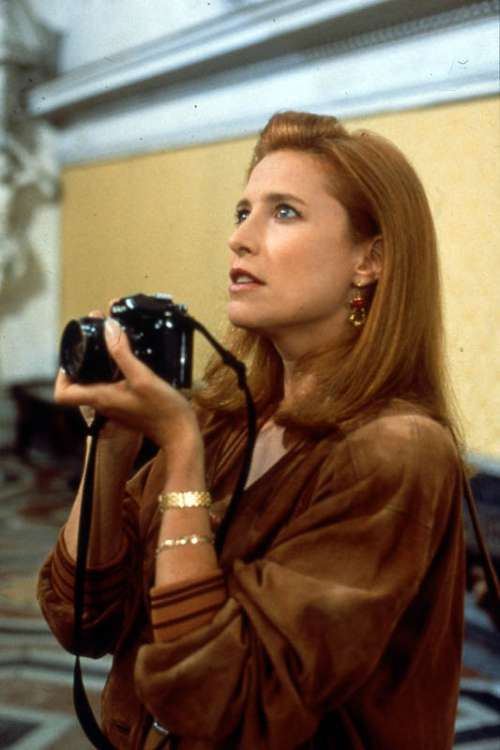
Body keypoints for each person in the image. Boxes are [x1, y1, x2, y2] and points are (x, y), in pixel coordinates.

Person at [38, 111, 465, 749]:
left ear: (370, 259)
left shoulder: (396, 452)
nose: (239, 239)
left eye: (284, 212)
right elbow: (82, 617)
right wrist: (113, 442)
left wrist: (180, 452)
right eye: (243, 212)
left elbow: (224, 705)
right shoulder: (228, 417)